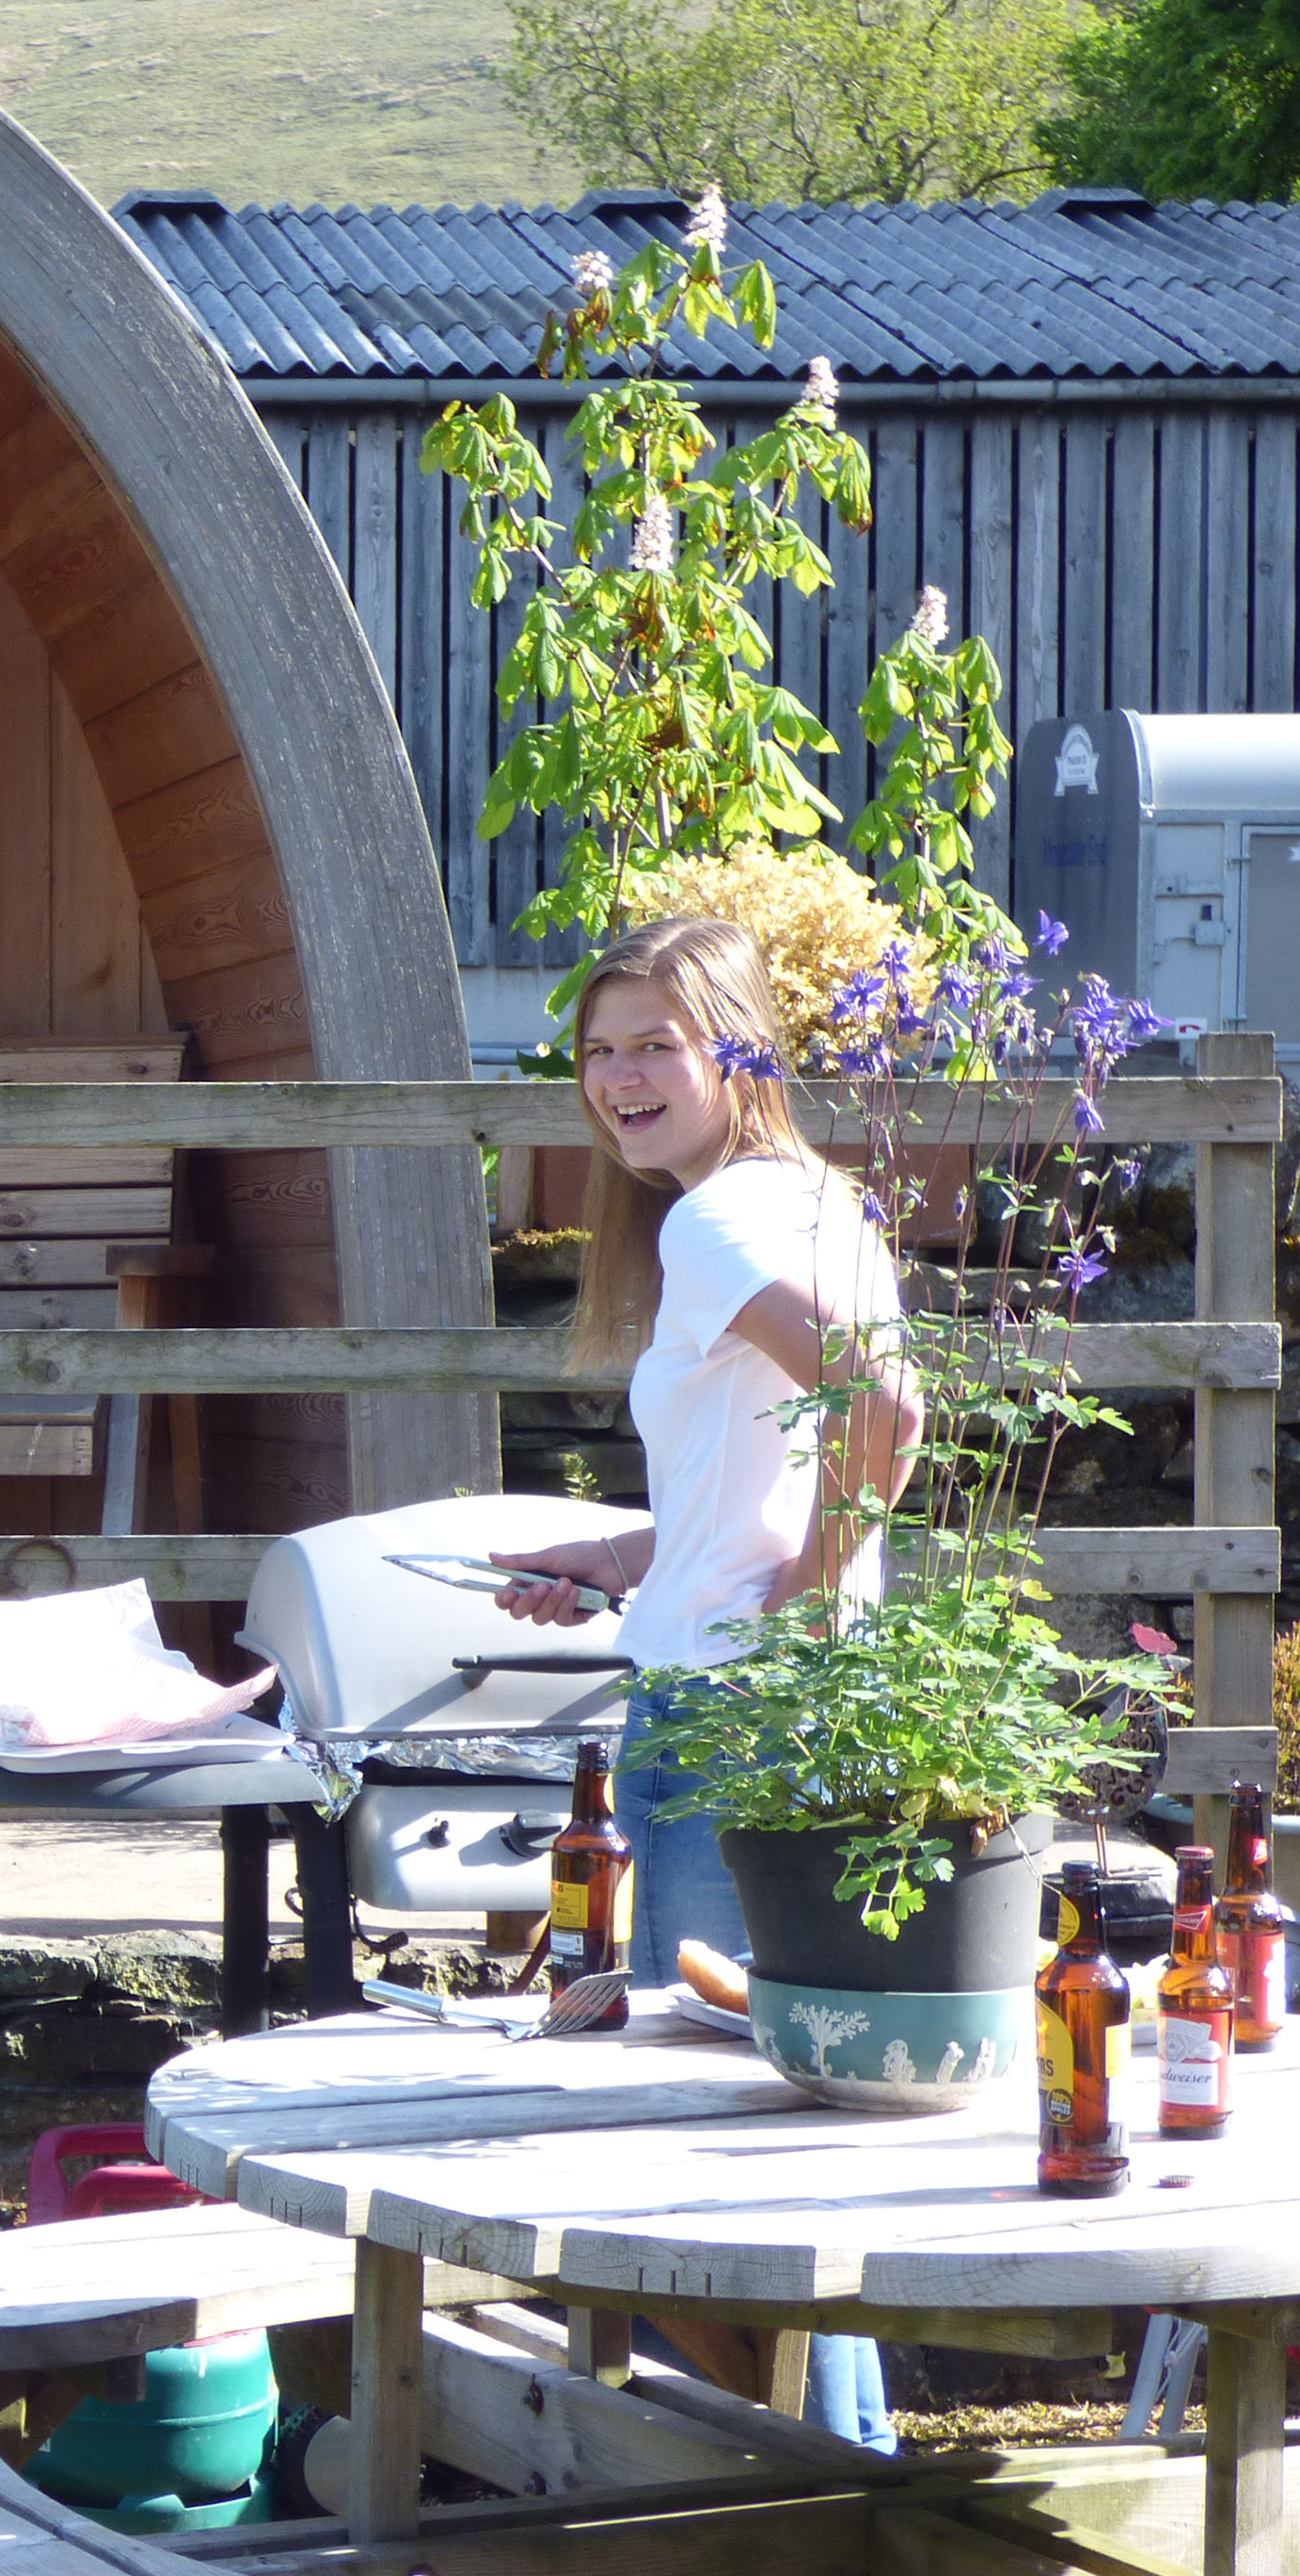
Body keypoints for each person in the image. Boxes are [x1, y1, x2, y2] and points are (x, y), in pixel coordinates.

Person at [486, 914, 922, 2453]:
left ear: (736, 1047)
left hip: (731, 1715)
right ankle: (850, 2477)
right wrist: (631, 1562)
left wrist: (794, 1608)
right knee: (798, 2121)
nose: (617, 1079)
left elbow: (885, 1411)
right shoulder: (815, 1202)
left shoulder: (715, 1223)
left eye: (652, 1045)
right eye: (597, 1053)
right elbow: (771, 1475)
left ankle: (795, 2490)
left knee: (716, 2129)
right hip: (799, 1708)